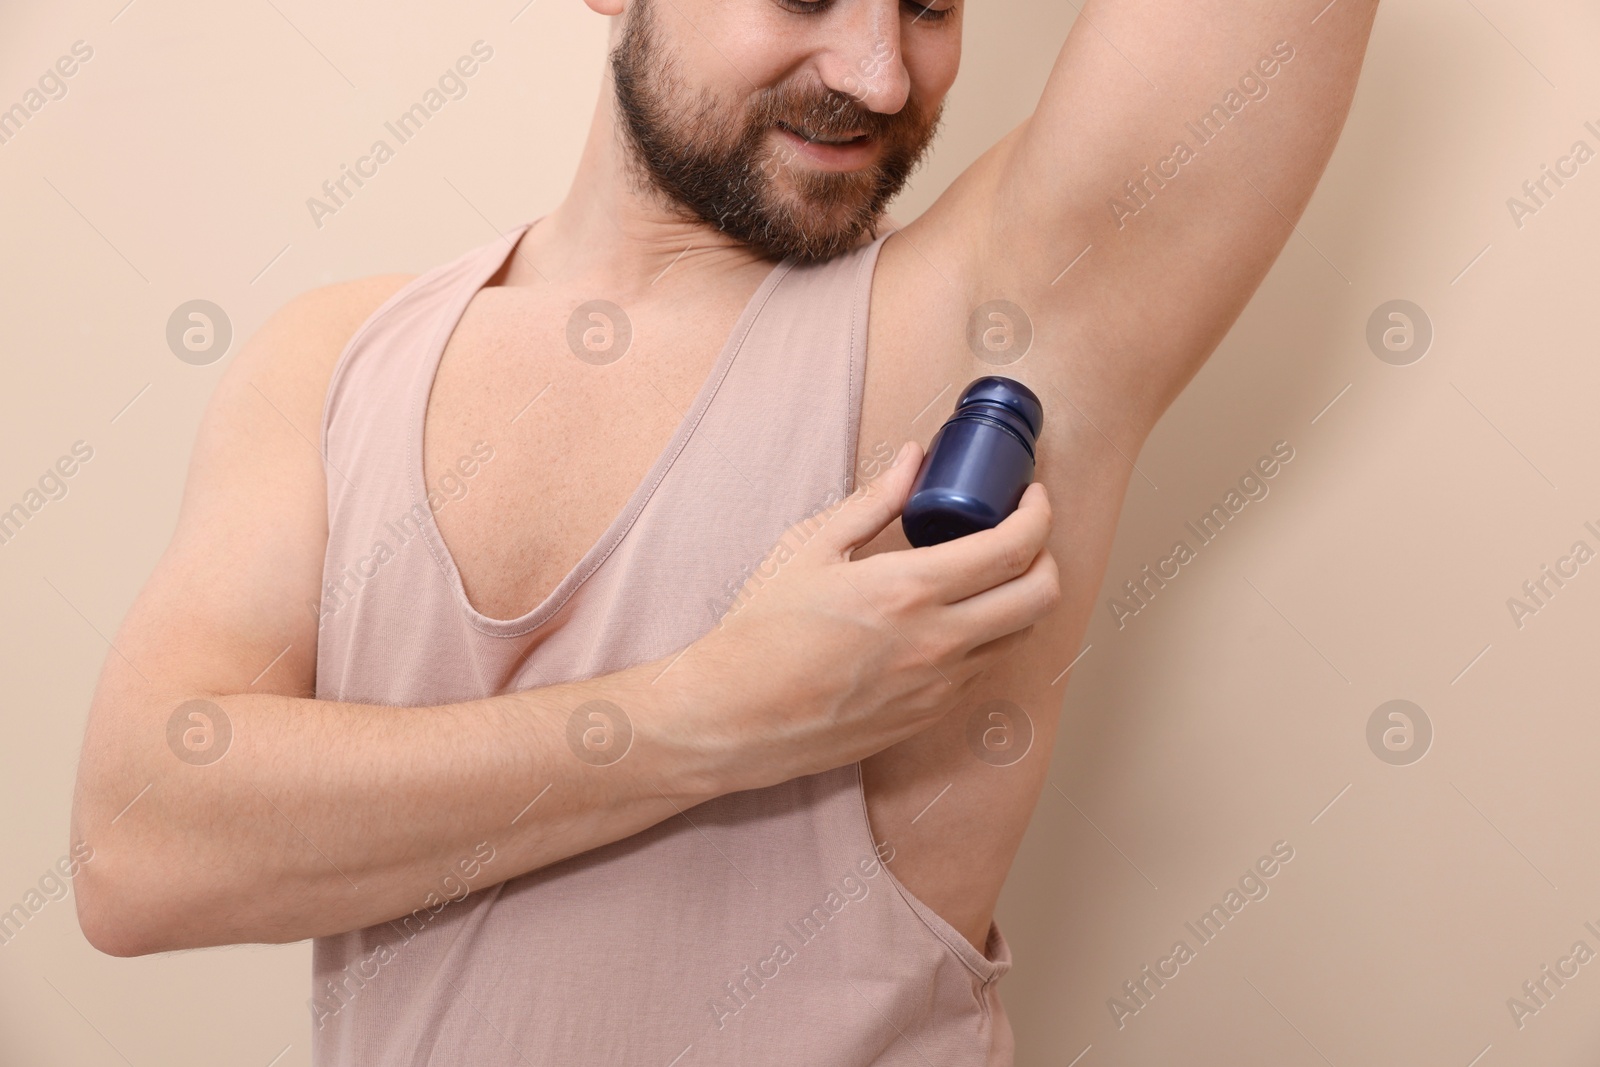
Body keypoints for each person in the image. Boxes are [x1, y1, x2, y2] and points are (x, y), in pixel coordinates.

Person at [71, 0, 1378, 1062]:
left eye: (929, 6)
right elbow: (139, 855)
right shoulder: (336, 360)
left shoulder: (978, 319)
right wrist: (712, 710)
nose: (876, 73)